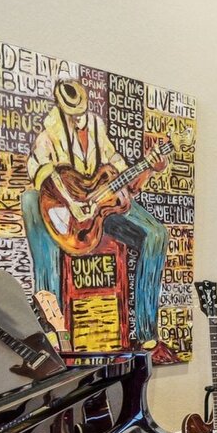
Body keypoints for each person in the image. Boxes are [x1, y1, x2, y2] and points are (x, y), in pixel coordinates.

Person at [20, 79, 169, 356]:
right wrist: (72, 202)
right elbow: (40, 174)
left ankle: (147, 334)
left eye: (80, 112)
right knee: (30, 200)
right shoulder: (48, 134)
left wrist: (148, 169)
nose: (78, 118)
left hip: (99, 209)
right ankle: (51, 327)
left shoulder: (98, 128)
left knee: (157, 234)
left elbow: (124, 177)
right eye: (72, 113)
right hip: (63, 210)